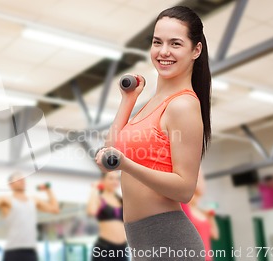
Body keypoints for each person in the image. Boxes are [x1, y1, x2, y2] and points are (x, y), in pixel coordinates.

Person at [96, 5, 211, 260]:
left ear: (196, 50)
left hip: (170, 239)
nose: (163, 52)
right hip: (142, 240)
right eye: (157, 42)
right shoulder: (150, 104)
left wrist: (126, 164)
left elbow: (184, 189)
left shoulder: (183, 104)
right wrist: (128, 100)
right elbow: (109, 155)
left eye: (175, 43)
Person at [0, 172, 60, 261]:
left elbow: (55, 209)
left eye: (23, 179)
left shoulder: (34, 200)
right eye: (18, 179)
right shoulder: (5, 199)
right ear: (10, 184)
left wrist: (48, 190)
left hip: (31, 252)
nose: (22, 181)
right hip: (13, 251)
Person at [87, 171, 127, 261]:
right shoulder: (100, 199)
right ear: (102, 180)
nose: (114, 181)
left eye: (117, 179)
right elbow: (91, 211)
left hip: (121, 249)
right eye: (111, 178)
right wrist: (94, 189)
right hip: (104, 248)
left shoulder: (120, 200)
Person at [182, 171, 219, 261]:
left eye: (197, 195)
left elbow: (215, 235)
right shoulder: (185, 212)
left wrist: (211, 217)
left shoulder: (202, 213)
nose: (197, 197)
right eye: (195, 194)